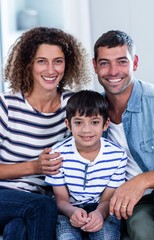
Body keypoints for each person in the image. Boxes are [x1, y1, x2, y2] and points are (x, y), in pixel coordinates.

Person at [0, 27, 91, 240]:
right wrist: (34, 167)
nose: (51, 70)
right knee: (42, 206)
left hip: (32, 204)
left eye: (58, 61)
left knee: (18, 228)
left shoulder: (73, 105)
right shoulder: (7, 105)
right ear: (28, 64)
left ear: (67, 64)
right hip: (5, 197)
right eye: (42, 61)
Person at [92, 30, 154, 240]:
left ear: (135, 63)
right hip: (135, 204)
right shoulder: (91, 115)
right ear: (95, 66)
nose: (113, 71)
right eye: (104, 63)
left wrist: (143, 180)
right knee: (142, 230)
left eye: (122, 61)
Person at [45, 90, 127, 240]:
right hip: (68, 211)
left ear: (105, 124)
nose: (86, 130)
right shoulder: (56, 154)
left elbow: (108, 199)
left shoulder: (117, 156)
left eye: (94, 122)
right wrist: (71, 212)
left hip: (102, 210)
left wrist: (99, 213)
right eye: (78, 122)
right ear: (68, 125)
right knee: (65, 236)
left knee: (107, 236)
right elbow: (61, 199)